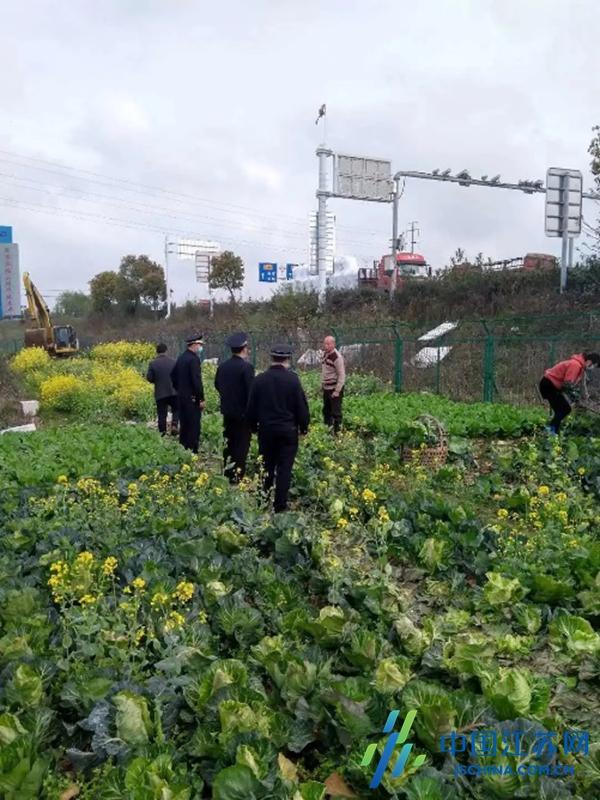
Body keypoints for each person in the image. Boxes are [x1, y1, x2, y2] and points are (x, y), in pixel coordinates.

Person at [246, 343, 310, 512]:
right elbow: (301, 407)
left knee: (266, 466)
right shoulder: (293, 380)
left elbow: (251, 407)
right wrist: (303, 427)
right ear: (287, 359)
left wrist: (253, 427)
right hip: (288, 431)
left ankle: (263, 500)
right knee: (284, 468)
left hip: (266, 430)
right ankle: (280, 506)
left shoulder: (259, 380)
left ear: (271, 359)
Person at [214, 331, 255, 483]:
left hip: (227, 411)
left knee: (228, 443)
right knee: (241, 445)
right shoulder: (247, 368)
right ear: (244, 348)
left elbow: (217, 384)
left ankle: (228, 471)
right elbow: (251, 391)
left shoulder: (223, 367)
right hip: (243, 413)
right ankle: (238, 475)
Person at [539, 352, 600, 434]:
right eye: (594, 365)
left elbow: (580, 386)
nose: (592, 368)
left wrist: (581, 398)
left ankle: (552, 430)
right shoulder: (575, 365)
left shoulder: (580, 367)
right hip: (549, 385)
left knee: (561, 410)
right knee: (564, 409)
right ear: (589, 361)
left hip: (551, 385)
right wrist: (574, 397)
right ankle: (550, 431)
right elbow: (568, 384)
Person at [171, 333, 205, 452]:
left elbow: (173, 376)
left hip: (181, 397)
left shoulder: (181, 358)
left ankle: (183, 449)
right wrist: (200, 398)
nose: (201, 347)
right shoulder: (194, 359)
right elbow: (196, 381)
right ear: (194, 344)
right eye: (200, 344)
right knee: (193, 426)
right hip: (192, 399)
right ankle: (192, 451)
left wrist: (180, 389)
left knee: (184, 425)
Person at [146, 343, 178, 436]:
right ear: (166, 351)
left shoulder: (153, 363)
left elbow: (150, 378)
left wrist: (157, 381)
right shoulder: (173, 362)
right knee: (176, 409)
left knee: (162, 414)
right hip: (174, 391)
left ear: (157, 352)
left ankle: (162, 433)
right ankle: (174, 425)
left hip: (160, 393)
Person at [321, 335, 346, 434]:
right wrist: (322, 385)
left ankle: (337, 434)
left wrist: (337, 391)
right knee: (326, 411)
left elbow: (342, 375)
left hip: (334, 389)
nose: (326, 346)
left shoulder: (337, 357)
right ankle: (328, 432)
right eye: (325, 343)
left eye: (328, 344)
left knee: (336, 413)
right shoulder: (325, 355)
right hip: (326, 388)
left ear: (333, 344)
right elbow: (325, 371)